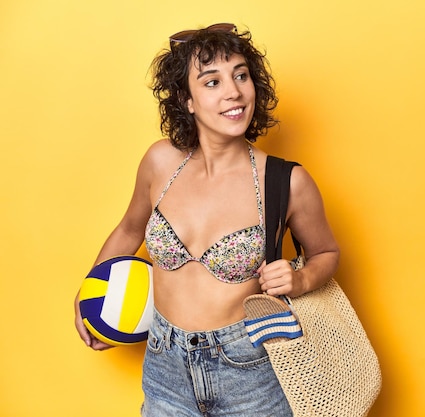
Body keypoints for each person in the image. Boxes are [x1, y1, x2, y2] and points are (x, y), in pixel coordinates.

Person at [74, 23, 340, 417]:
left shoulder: (286, 181)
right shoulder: (160, 162)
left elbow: (326, 252)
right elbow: (129, 229)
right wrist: (89, 299)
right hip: (164, 366)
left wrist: (300, 279)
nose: (233, 91)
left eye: (240, 75)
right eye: (212, 81)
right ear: (187, 100)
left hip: (250, 371)